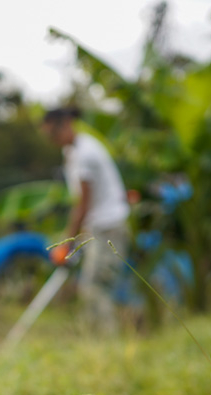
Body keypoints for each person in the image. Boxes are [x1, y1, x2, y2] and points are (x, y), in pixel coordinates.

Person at [41, 106, 130, 334]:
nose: (51, 140)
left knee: (95, 287)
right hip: (96, 228)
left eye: (53, 134)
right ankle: (97, 343)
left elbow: (83, 204)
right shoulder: (71, 152)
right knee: (90, 287)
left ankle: (109, 346)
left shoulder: (86, 154)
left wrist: (67, 242)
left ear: (66, 125)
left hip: (109, 227)